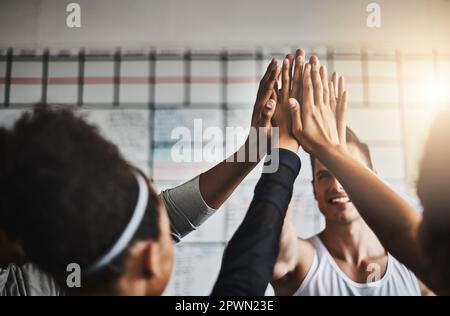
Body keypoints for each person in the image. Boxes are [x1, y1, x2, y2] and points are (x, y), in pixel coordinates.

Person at [0, 57, 303, 296]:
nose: (168, 216)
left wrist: (251, 153)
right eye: (163, 228)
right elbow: (242, 286)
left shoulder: (35, 274)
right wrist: (284, 151)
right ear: (150, 260)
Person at [283, 53, 447, 295]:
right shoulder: (303, 260)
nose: (338, 185)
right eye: (325, 175)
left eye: (346, 173)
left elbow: (401, 232)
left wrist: (317, 146)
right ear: (314, 189)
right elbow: (270, 248)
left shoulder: (419, 267)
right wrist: (283, 148)